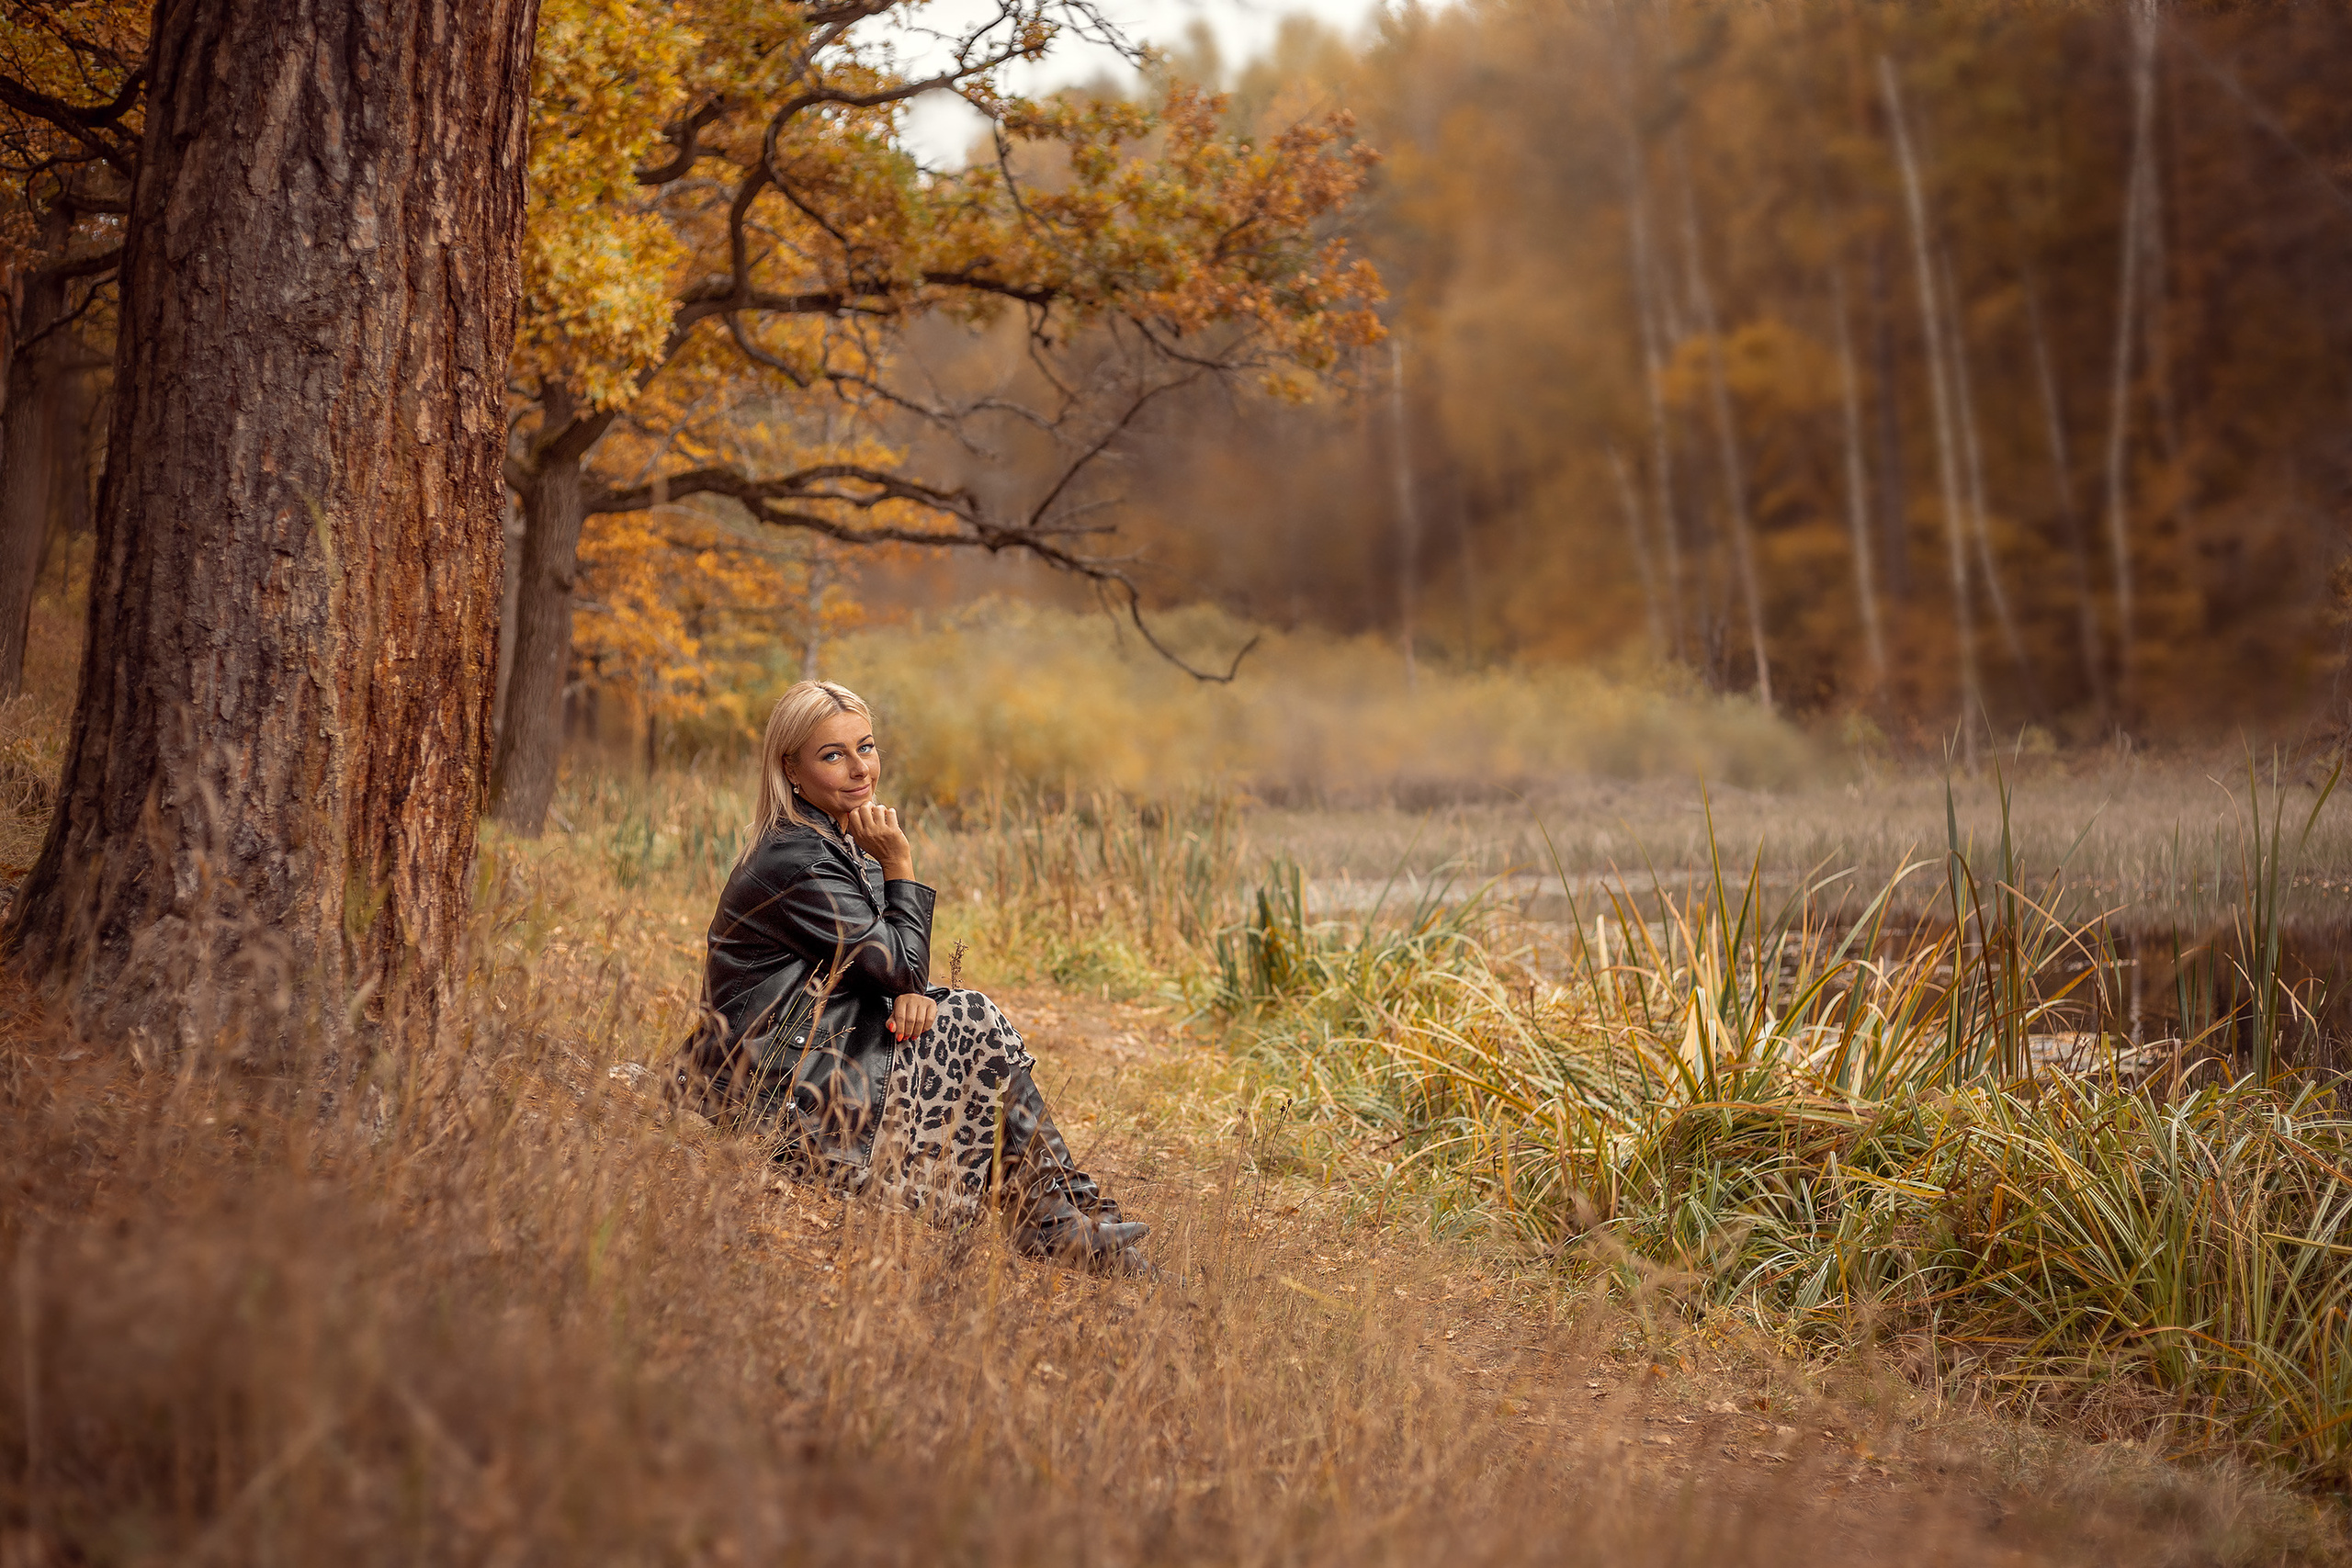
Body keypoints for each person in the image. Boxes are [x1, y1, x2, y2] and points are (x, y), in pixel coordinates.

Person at [678, 679, 1149, 1274]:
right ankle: (1062, 1218)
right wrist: (899, 864)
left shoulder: (833, 841)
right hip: (768, 1100)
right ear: (790, 768)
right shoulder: (796, 860)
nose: (860, 769)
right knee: (973, 1016)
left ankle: (1068, 1217)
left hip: (814, 1060)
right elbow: (901, 963)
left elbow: (895, 968)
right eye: (834, 754)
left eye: (867, 746)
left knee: (968, 1019)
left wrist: (909, 988)